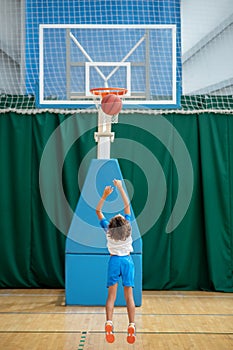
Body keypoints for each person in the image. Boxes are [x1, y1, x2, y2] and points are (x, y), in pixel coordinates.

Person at [96, 179, 136, 344]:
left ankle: (109, 322)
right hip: (127, 261)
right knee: (129, 296)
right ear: (124, 222)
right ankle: (131, 325)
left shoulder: (108, 230)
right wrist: (120, 187)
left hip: (114, 262)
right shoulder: (127, 229)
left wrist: (105, 195)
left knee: (111, 297)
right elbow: (127, 206)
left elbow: (98, 210)